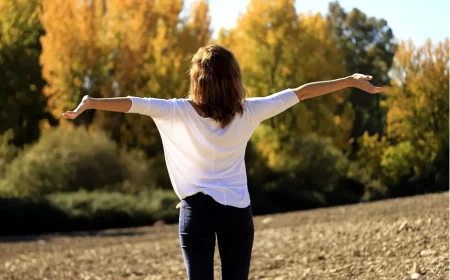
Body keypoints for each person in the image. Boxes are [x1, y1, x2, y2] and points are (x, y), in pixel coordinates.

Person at [63, 44, 383, 280]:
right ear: (234, 79)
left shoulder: (177, 111)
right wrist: (350, 80)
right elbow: (301, 93)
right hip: (237, 212)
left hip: (197, 213)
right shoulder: (250, 111)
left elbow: (133, 104)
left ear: (197, 80)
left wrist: (91, 103)